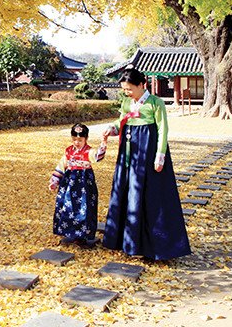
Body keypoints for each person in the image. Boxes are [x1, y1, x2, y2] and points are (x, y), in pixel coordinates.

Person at [101, 68, 191, 261]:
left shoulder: (155, 103)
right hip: (128, 152)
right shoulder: (127, 102)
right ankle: (126, 241)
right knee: (126, 191)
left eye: (129, 89)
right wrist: (112, 128)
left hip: (147, 151)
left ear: (142, 85)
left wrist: (160, 155)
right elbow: (121, 121)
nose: (127, 93)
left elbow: (163, 129)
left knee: (151, 196)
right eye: (124, 90)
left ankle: (156, 245)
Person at [49, 123, 107, 247]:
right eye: (74, 139)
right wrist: (55, 181)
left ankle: (82, 235)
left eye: (80, 140)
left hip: (84, 186)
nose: (77, 142)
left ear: (86, 139)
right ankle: (68, 232)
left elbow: (97, 156)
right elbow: (61, 166)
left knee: (84, 208)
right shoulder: (68, 151)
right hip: (68, 185)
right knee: (66, 206)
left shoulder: (88, 151)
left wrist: (103, 143)